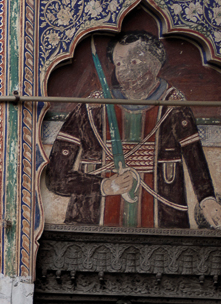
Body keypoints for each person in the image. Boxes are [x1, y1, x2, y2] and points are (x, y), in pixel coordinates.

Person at [44, 31, 221, 229]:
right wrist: (105, 186)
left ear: (156, 64)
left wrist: (207, 200)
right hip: (90, 229)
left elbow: (195, 161)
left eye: (134, 61)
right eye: (119, 63)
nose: (125, 69)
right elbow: (56, 177)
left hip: (166, 230)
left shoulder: (174, 106)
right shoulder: (90, 108)